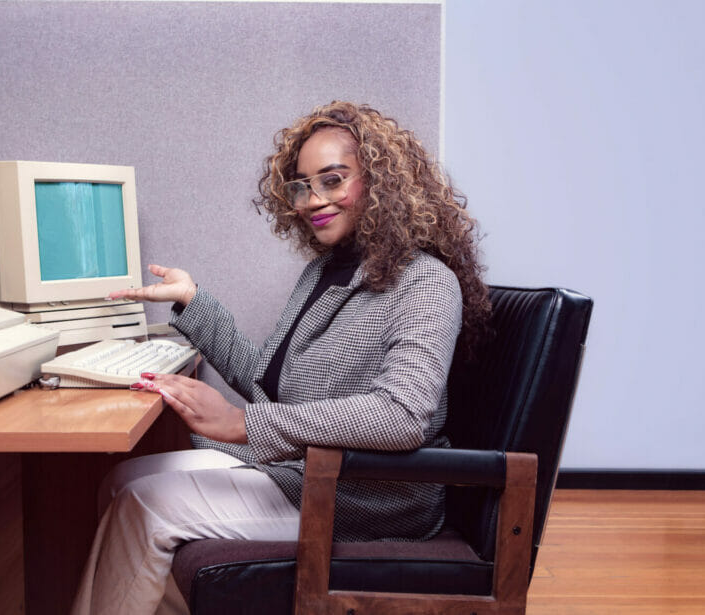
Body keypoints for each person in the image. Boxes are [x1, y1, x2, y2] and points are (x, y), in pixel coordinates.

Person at [70, 100, 491, 615]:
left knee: (146, 507)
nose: (312, 200)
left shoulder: (425, 282)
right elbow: (271, 381)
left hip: (365, 496)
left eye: (332, 180)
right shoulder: (323, 273)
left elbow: (401, 417)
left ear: (382, 184)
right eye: (300, 185)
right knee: (123, 481)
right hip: (307, 470)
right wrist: (191, 301)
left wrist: (243, 423)